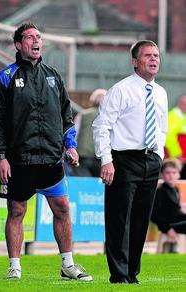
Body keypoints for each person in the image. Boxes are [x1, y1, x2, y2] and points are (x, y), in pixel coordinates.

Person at [0, 23, 92, 282]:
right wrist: (0, 156)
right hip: (19, 160)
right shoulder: (5, 78)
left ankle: (68, 266)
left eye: (39, 37)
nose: (36, 41)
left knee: (63, 208)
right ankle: (14, 267)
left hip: (51, 159)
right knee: (17, 211)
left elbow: (67, 115)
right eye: (30, 37)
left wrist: (70, 145)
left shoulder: (53, 75)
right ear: (18, 44)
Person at [92, 40, 168, 284]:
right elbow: (101, 126)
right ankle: (119, 274)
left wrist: (159, 156)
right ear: (135, 62)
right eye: (147, 55)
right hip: (124, 160)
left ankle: (132, 273)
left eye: (156, 55)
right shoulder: (121, 90)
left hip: (150, 160)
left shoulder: (161, 92)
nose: (153, 59)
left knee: (140, 220)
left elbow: (162, 127)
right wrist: (106, 160)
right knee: (119, 219)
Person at [72, 89, 107, 177]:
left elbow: (74, 133)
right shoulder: (110, 117)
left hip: (83, 155)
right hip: (101, 157)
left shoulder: (83, 114)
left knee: (83, 184)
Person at [151, 159, 186, 239]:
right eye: (167, 173)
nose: (171, 176)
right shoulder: (159, 192)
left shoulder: (176, 189)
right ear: (162, 174)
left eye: (174, 173)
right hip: (168, 226)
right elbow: (154, 215)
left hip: (177, 221)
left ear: (178, 175)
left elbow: (177, 211)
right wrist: (167, 229)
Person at [165, 95, 186, 178]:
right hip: (176, 158)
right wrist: (177, 154)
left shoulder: (183, 116)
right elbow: (168, 137)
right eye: (184, 103)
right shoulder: (172, 116)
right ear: (179, 103)